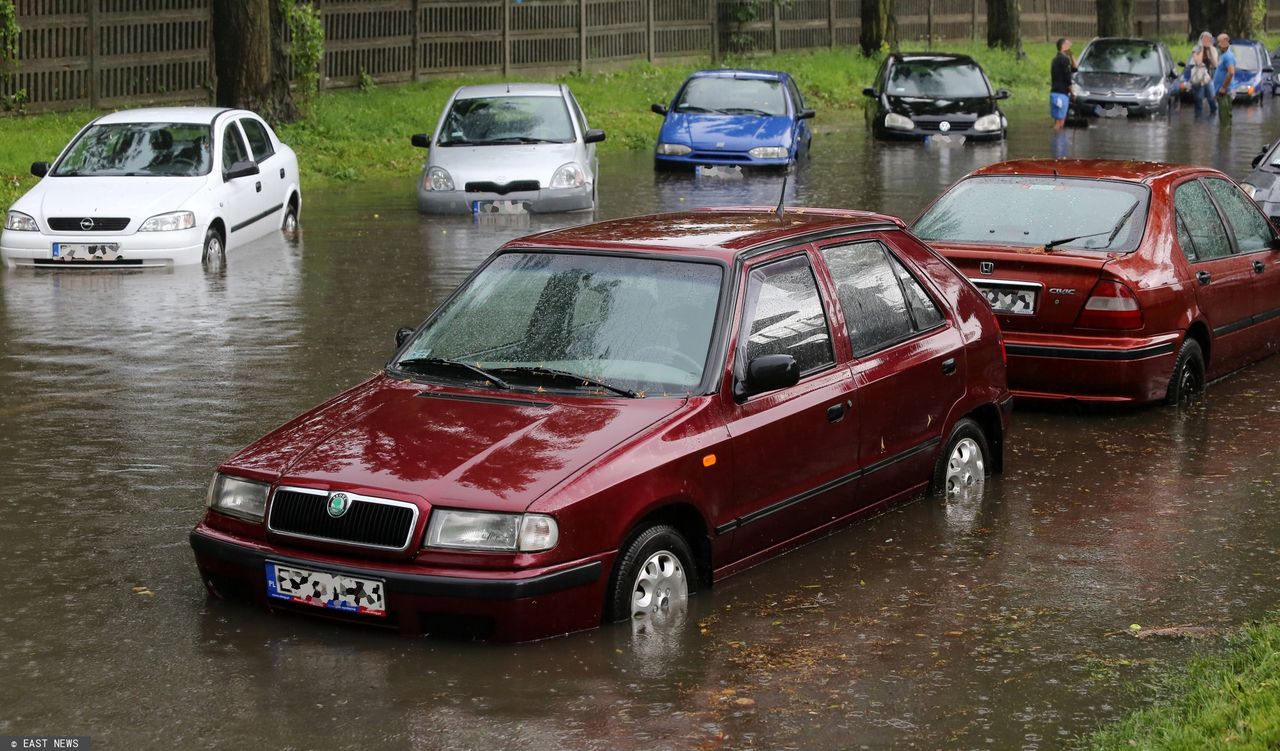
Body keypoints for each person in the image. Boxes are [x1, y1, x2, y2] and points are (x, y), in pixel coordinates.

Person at [1189, 31, 1219, 117]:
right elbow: (1198, 62)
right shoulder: (1196, 49)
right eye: (1205, 39)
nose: (1207, 41)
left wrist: (1209, 49)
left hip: (1208, 78)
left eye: (1208, 39)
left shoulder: (1213, 49)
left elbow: (1215, 64)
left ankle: (1213, 118)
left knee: (1212, 99)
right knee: (1198, 100)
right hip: (1198, 78)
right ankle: (1198, 121)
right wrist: (1202, 48)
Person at [1050, 37, 1075, 130]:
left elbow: (1075, 68)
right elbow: (1067, 78)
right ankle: (1057, 142)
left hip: (1054, 94)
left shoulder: (1054, 60)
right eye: (1068, 45)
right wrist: (1072, 93)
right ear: (1063, 46)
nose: (1070, 47)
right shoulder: (1065, 60)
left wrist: (1071, 55)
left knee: (1058, 120)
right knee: (1060, 122)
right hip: (1061, 95)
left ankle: (1057, 142)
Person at [1214, 32, 1236, 126]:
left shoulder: (1228, 56)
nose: (1218, 44)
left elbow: (1231, 72)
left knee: (1225, 121)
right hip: (1221, 93)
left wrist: (1223, 88)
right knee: (1223, 120)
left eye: (1220, 42)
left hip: (1225, 93)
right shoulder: (1223, 56)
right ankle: (1224, 139)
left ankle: (1225, 139)